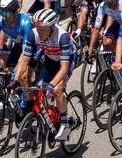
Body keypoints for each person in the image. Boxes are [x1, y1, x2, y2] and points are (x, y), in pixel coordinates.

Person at [15, 8, 77, 142]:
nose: (39, 32)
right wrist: (15, 80)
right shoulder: (34, 34)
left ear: (52, 27)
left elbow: (64, 68)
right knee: (39, 89)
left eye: (42, 29)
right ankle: (52, 117)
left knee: (57, 89)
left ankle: (65, 124)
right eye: (37, 28)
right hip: (50, 59)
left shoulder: (62, 36)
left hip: (67, 60)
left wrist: (52, 84)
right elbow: (25, 60)